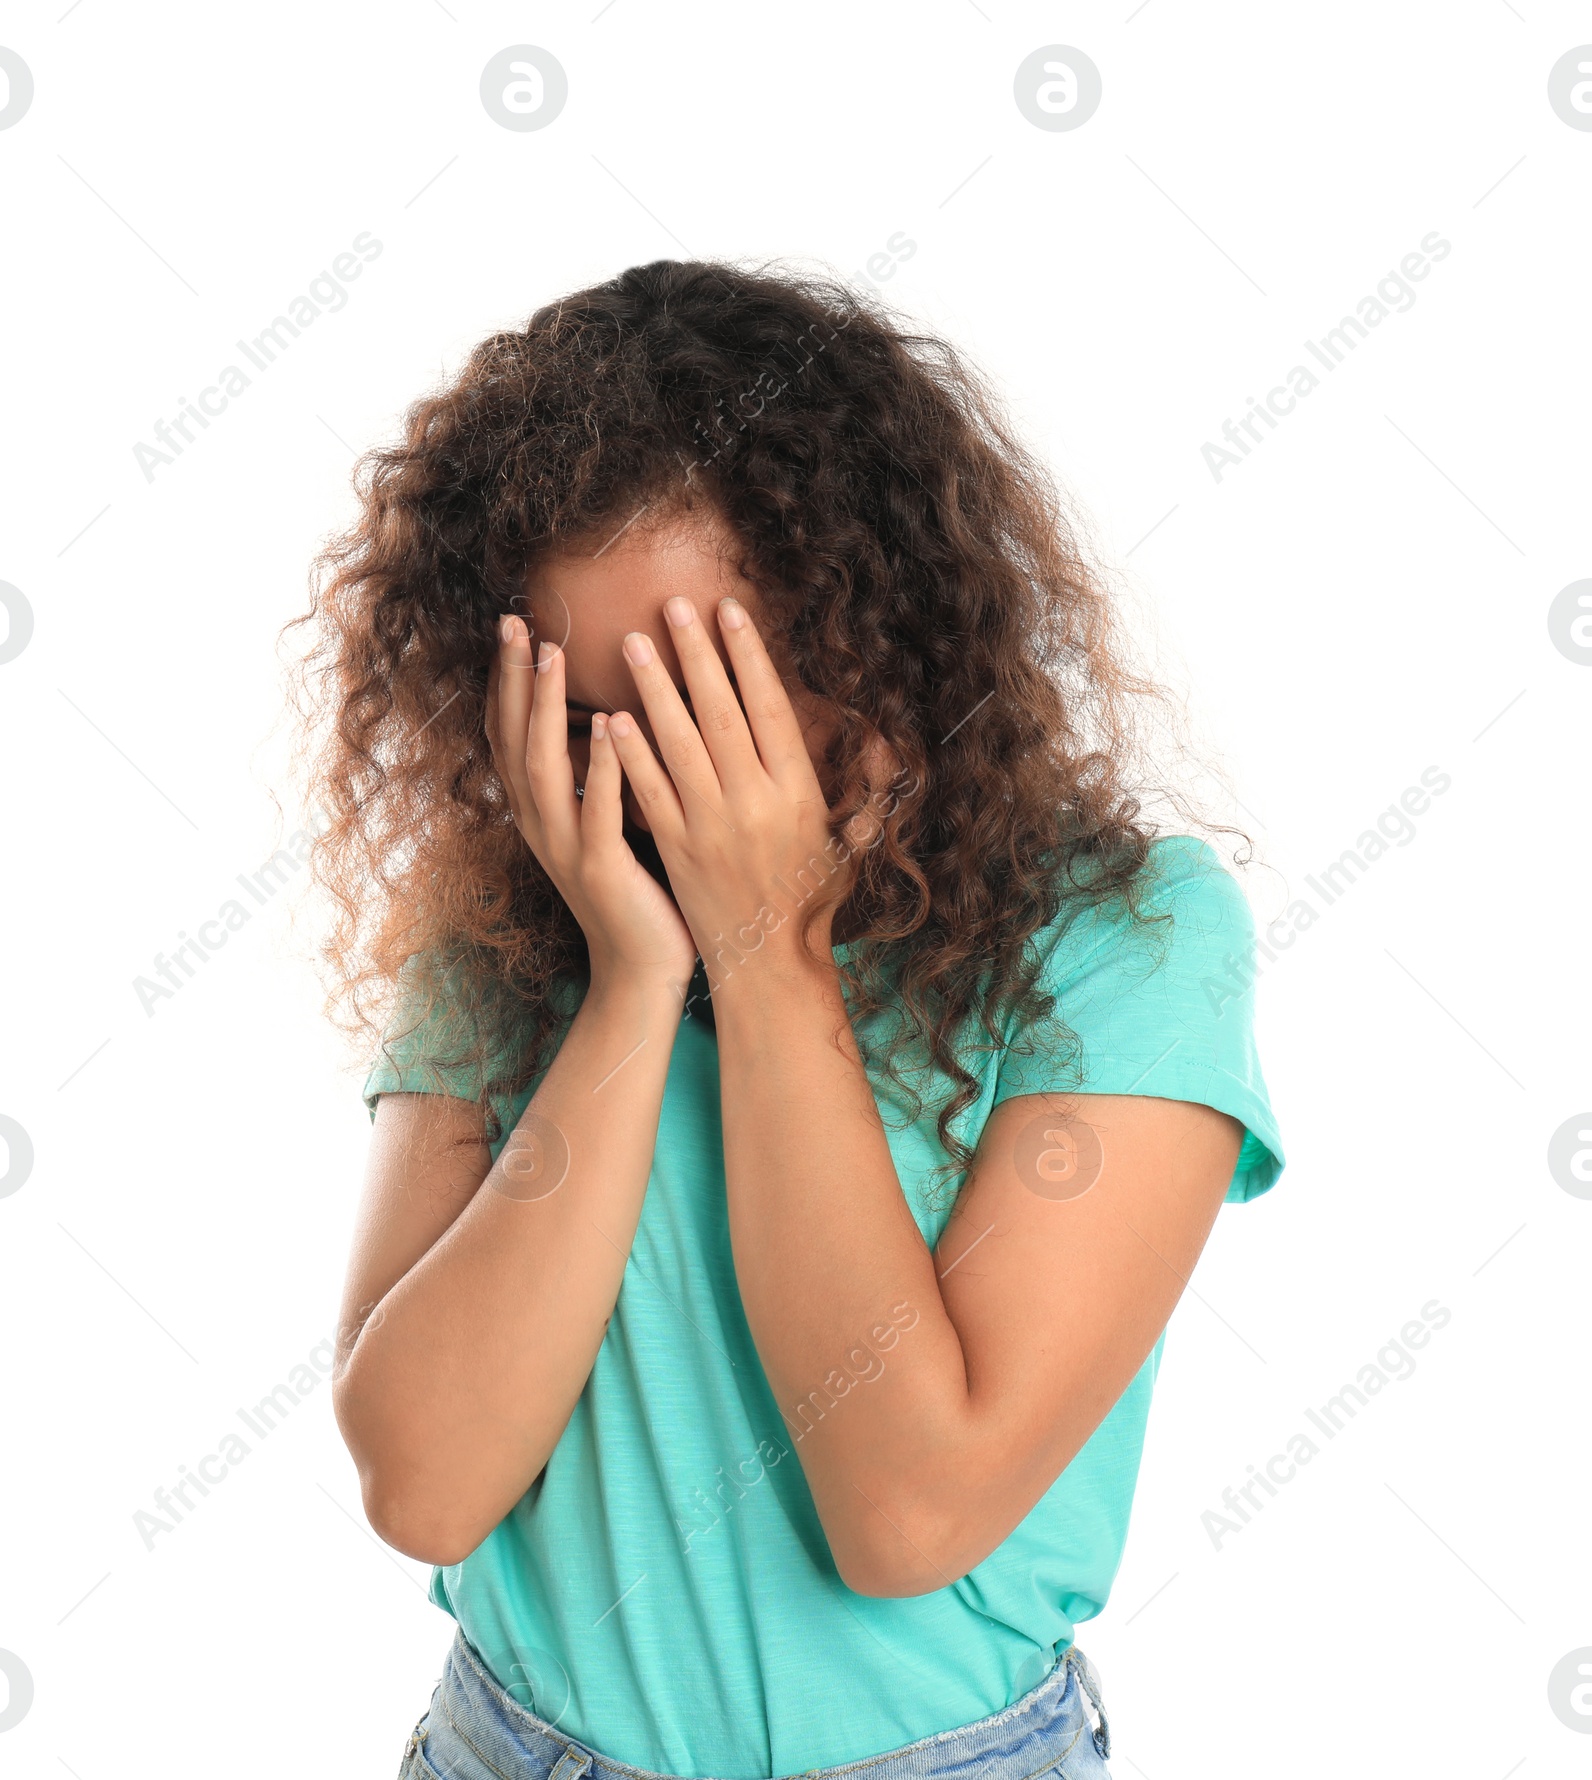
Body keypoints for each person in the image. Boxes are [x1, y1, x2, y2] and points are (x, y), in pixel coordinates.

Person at [295, 258, 1284, 1780]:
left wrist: (770, 961)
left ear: (872, 633)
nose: (649, 778)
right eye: (590, 718)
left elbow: (908, 1512)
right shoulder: (507, 922)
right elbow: (422, 1488)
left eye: (710, 699)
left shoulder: (1127, 940)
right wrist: (633, 984)